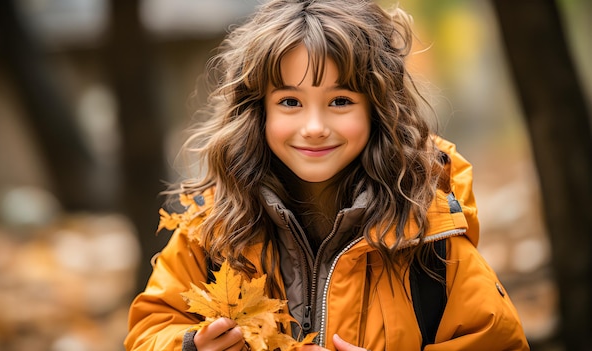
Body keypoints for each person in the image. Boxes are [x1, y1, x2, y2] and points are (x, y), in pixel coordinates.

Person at [124, 0, 530, 350]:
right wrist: (192, 345)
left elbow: (497, 340)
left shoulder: (428, 234)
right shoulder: (213, 229)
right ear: (259, 110)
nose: (314, 126)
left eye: (339, 100)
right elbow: (150, 329)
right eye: (290, 101)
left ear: (377, 108)